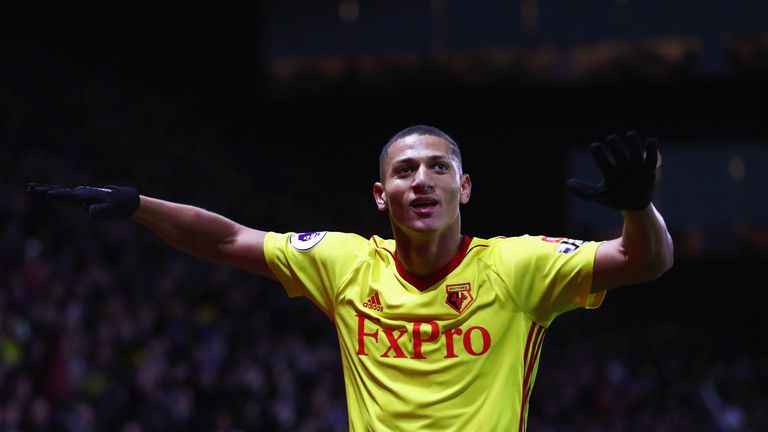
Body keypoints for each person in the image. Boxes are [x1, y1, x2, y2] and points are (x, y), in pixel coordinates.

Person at [28, 125, 674, 431]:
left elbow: (644, 261)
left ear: (465, 187)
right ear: (379, 193)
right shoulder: (343, 263)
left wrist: (636, 205)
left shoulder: (520, 266)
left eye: (439, 168)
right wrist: (139, 204)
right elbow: (226, 237)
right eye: (405, 170)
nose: (422, 180)